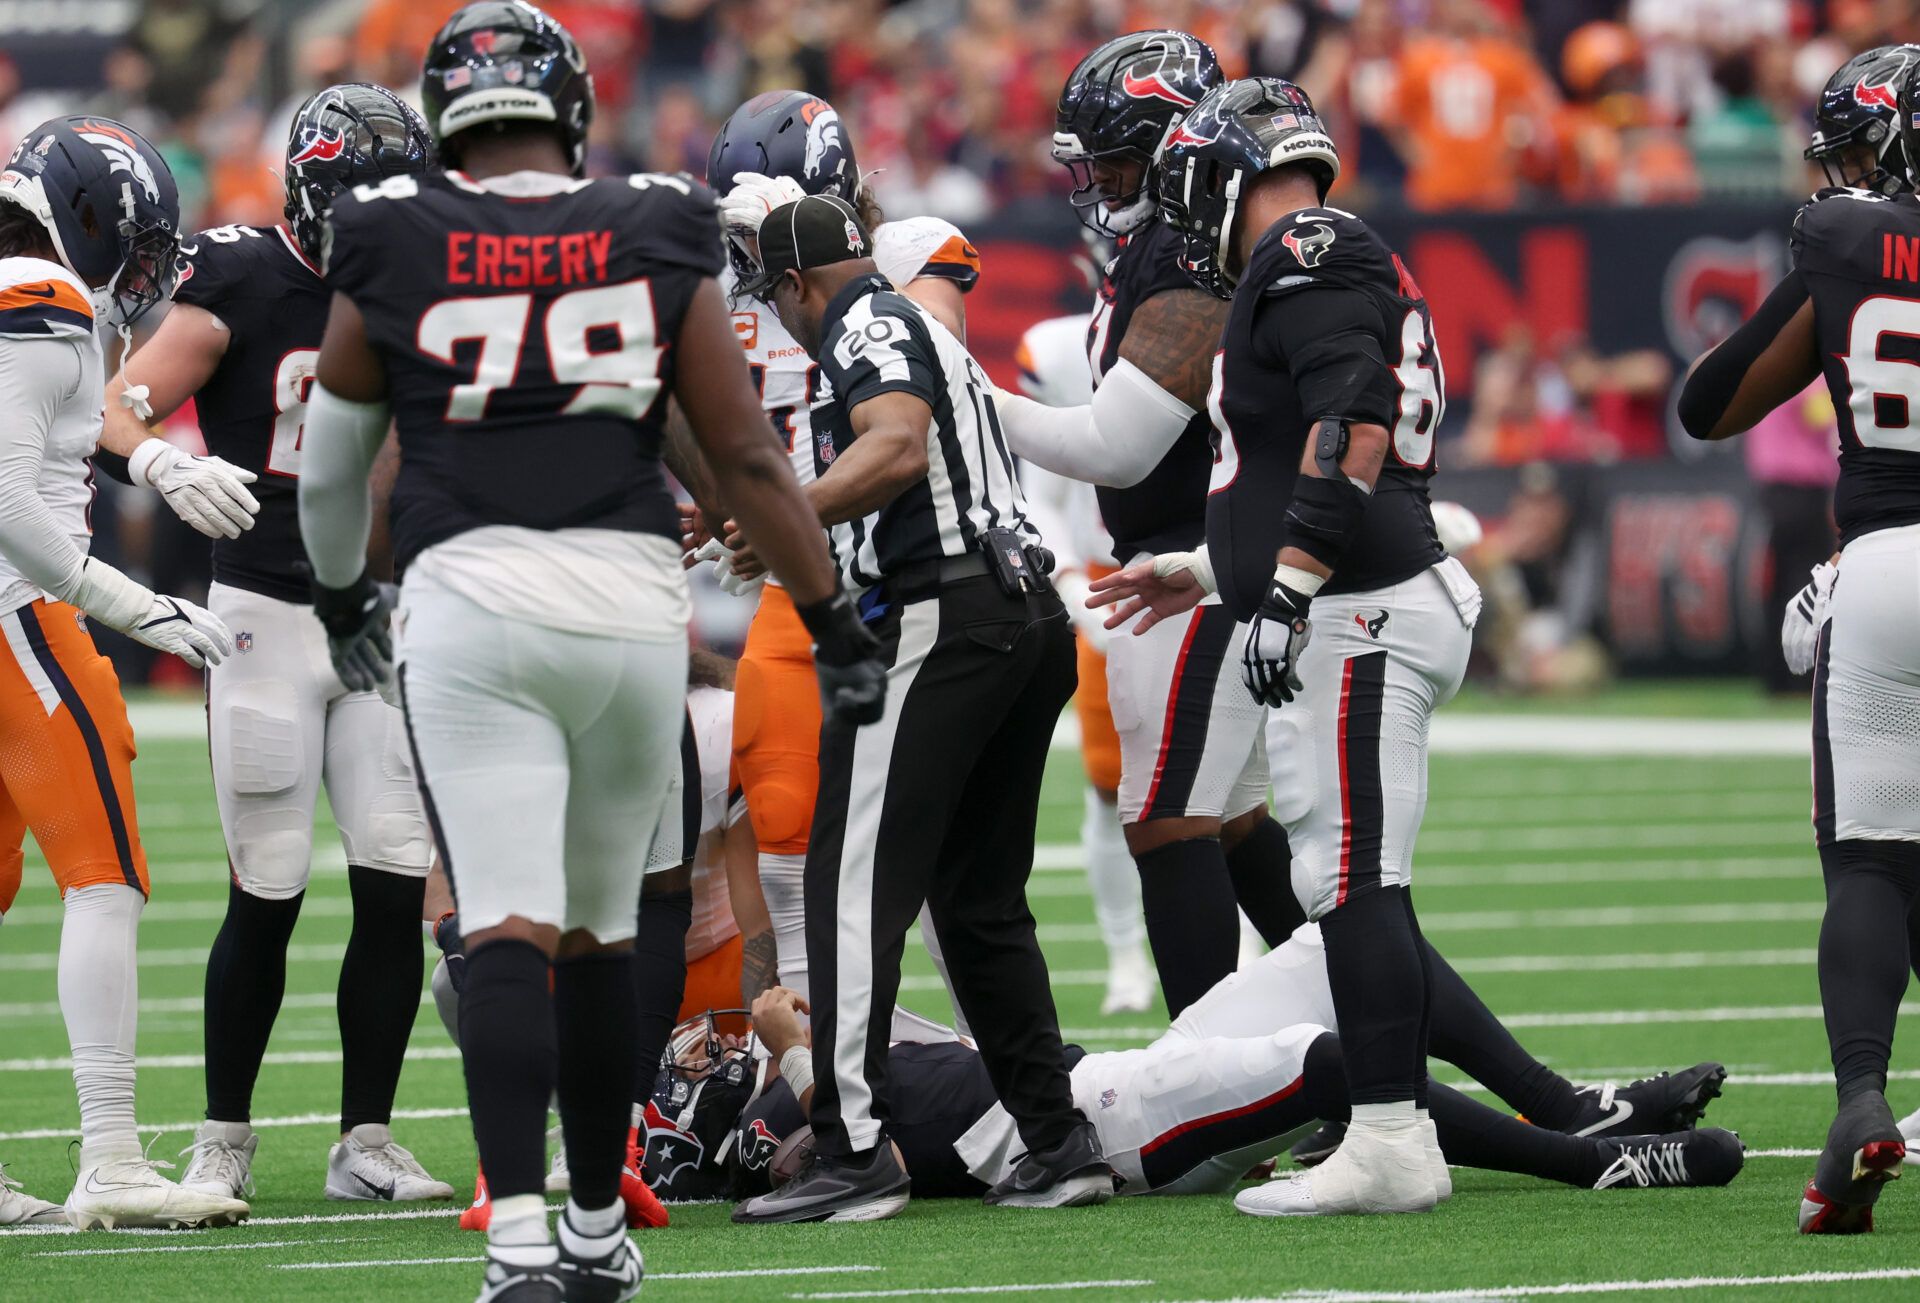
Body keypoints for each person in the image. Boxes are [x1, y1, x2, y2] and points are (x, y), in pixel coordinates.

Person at [294, 4, 878, 1299]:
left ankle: (518, 1248)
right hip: (625, 602)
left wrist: (342, 596)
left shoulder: (390, 232)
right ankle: (602, 1233)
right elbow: (738, 453)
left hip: (471, 598)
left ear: (449, 113)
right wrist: (831, 613)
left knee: (504, 921)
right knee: (608, 931)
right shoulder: (654, 219)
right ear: (567, 107)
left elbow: (332, 468)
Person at [1092, 77, 1479, 1218]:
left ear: (1222, 175)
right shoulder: (1333, 252)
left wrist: (1290, 584)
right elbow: (1308, 449)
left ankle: (1392, 1140)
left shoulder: (1306, 247)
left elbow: (1354, 419)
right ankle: (1393, 1124)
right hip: (1366, 590)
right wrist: (1217, 570)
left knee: (1355, 883)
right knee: (1344, 877)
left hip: (1362, 602)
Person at [94, 82, 450, 1207]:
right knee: (272, 883)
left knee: (395, 878)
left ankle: (366, 1138)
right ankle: (225, 1136)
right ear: (307, 183)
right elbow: (118, 407)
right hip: (263, 610)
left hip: (382, 612)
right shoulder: (242, 270)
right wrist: (160, 463)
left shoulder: (425, 273)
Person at [727, 194, 1100, 1224]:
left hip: (944, 617)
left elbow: (892, 446)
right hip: (1020, 616)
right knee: (978, 900)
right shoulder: (911, 318)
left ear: (798, 284)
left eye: (779, 298)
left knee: (852, 892)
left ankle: (854, 1147)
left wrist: (785, 514)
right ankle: (1057, 1141)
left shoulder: (866, 320)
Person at [988, 30, 1303, 1018]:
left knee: (1169, 821)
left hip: (1188, 570)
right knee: (1239, 828)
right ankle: (1384, 1038)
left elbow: (1120, 448)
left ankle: (1219, 1076)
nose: (1100, 181)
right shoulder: (1164, 244)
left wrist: (958, 395)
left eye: (1117, 158)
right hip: (1184, 565)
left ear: (1174, 146)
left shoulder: (1190, 250)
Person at [1674, 48, 1920, 1240]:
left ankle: (1863, 1097)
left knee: (1869, 863)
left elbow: (1709, 403)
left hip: (1879, 567)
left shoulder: (1842, 243)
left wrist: (1829, 265)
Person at [652, 943, 1738, 1205]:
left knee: (1341, 949)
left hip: (1112, 1074)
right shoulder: (793, 1120)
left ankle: (1566, 1103)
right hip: (1115, 1132)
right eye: (695, 1064)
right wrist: (786, 1047)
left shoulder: (809, 1064)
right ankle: (1590, 1163)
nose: (713, 1041)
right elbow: (860, 1149)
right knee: (1317, 1063)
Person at [684, 89, 982, 1020]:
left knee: (944, 858)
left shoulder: (906, 257)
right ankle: (807, 1070)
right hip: (796, 586)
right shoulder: (722, 289)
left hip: (909, 578)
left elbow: (925, 361)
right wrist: (720, 508)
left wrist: (809, 242)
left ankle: (1008, 1075)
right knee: (779, 825)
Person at [0, 115, 245, 1230]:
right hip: (24, 615)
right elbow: (5, 498)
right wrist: (124, 599)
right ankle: (108, 1154)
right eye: (134, 242)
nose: (137, 270)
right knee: (107, 873)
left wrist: (149, 457)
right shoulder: (42, 299)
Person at [1012, 311, 1151, 1015]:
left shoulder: (1216, 320)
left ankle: (1249, 940)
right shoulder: (1064, 346)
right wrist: (1069, 583)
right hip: (1111, 572)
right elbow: (1045, 488)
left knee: (1236, 793)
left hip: (1204, 567)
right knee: (1108, 783)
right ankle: (1126, 951)